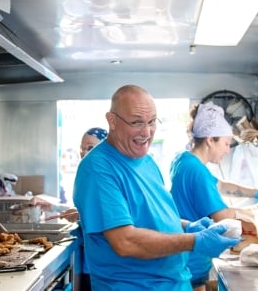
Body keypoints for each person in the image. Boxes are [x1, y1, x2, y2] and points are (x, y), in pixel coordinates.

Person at [73, 85, 241, 291]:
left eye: (152, 121)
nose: (146, 132)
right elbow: (125, 241)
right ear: (112, 121)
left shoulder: (146, 160)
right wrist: (194, 241)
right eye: (136, 122)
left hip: (175, 283)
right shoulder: (98, 169)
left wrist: (187, 226)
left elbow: (149, 216)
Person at [169, 102, 258, 291]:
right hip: (193, 259)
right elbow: (223, 216)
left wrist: (257, 192)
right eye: (226, 143)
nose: (228, 150)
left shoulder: (184, 159)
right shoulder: (196, 170)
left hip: (188, 256)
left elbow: (221, 185)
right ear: (209, 140)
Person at [75, 127, 108, 291]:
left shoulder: (102, 176)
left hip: (101, 263)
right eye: (82, 148)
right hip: (92, 259)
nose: (83, 153)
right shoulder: (89, 174)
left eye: (90, 147)